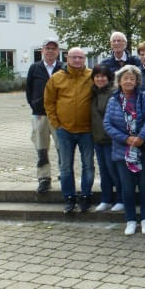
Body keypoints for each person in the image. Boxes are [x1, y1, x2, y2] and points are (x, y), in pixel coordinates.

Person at [103, 65, 145, 235]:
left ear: (137, 82)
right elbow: (107, 124)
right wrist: (125, 138)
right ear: (119, 81)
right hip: (122, 150)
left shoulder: (144, 97)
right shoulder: (113, 100)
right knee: (127, 188)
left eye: (132, 78)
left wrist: (140, 137)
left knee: (144, 186)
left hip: (143, 149)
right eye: (125, 78)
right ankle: (130, 220)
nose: (128, 81)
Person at [44, 47, 94, 213]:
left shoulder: (91, 76)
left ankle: (86, 196)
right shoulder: (57, 78)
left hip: (87, 130)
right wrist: (56, 123)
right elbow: (49, 102)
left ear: (84, 59)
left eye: (81, 57)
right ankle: (69, 198)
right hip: (64, 130)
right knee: (65, 166)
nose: (78, 60)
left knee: (88, 165)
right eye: (74, 57)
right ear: (67, 58)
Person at [26, 38, 63, 193]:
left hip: (60, 116)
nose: (50, 51)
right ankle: (44, 178)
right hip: (40, 115)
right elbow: (29, 90)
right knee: (41, 149)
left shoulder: (64, 68)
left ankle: (64, 174)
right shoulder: (34, 68)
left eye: (53, 49)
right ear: (42, 51)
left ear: (58, 52)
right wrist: (35, 105)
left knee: (62, 148)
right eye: (47, 48)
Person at [90, 64, 123, 213]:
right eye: (97, 76)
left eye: (103, 76)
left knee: (114, 171)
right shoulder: (93, 92)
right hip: (98, 138)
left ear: (109, 77)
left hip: (111, 139)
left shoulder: (114, 93)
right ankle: (106, 199)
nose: (100, 79)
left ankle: (121, 199)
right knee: (103, 171)